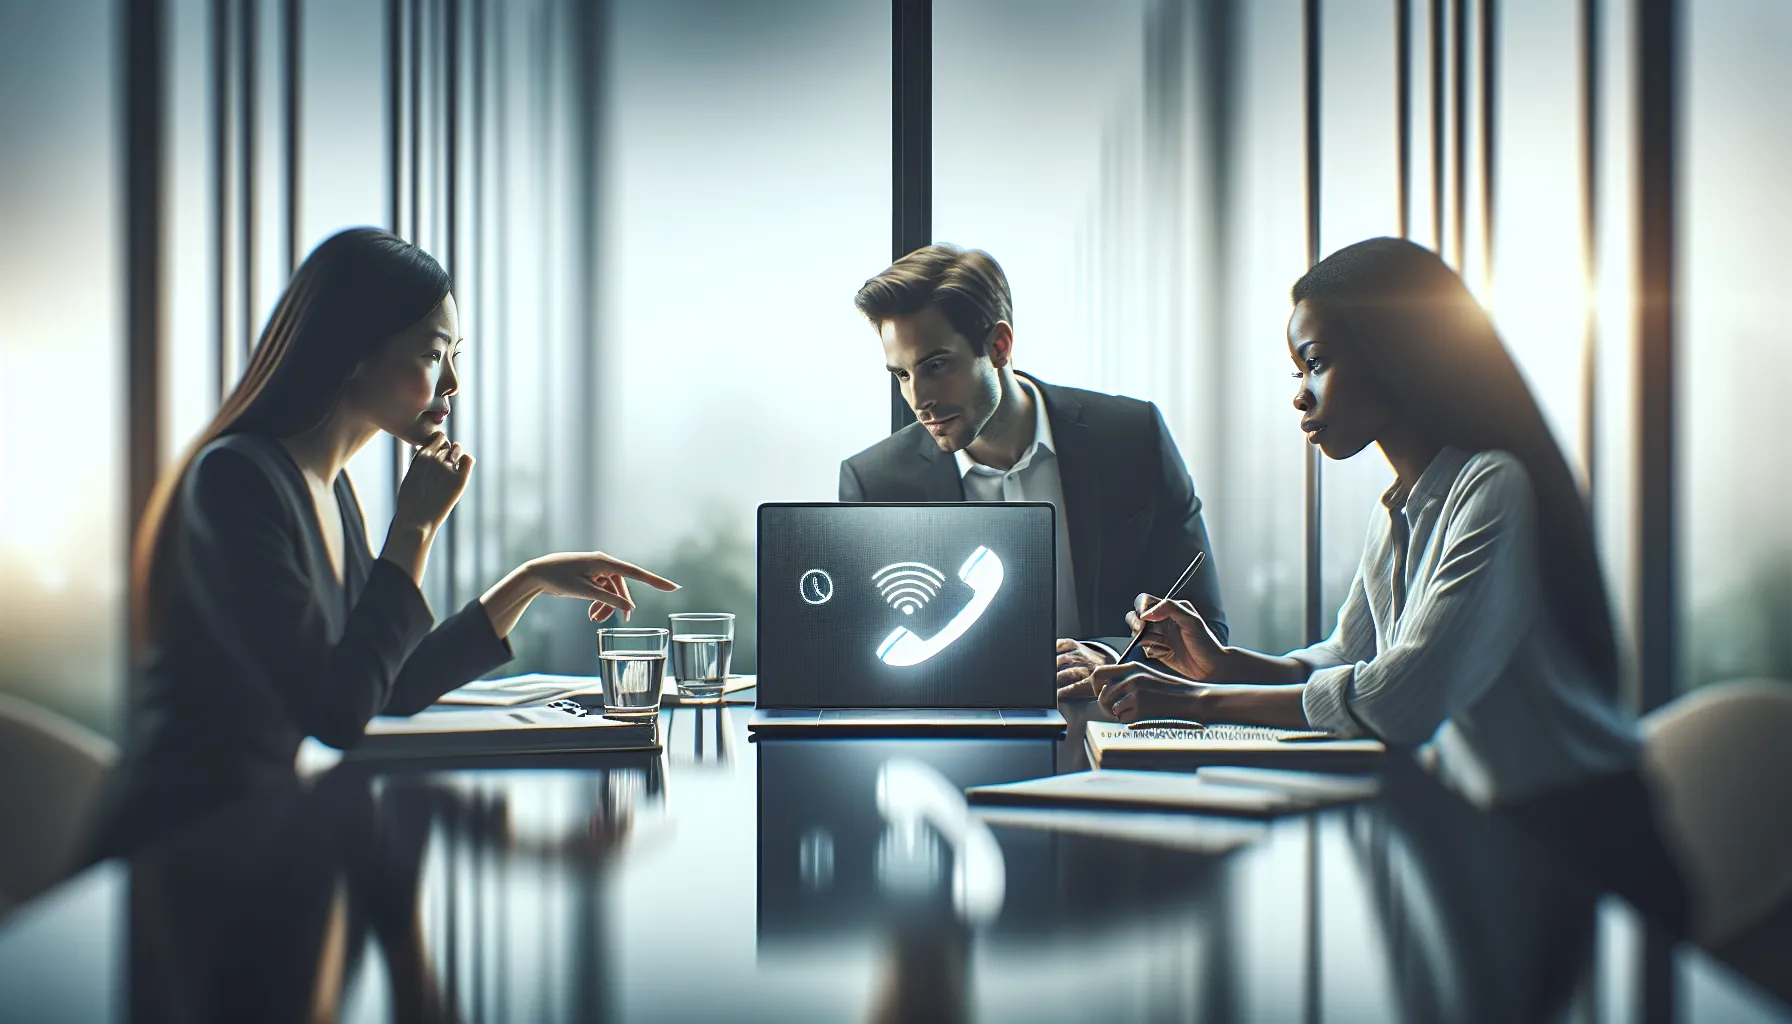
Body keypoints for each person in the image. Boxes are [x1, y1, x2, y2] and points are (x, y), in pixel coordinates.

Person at [1089, 237, 1685, 926]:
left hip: (1584, 847)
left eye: (1315, 364)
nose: (1300, 396)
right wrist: (1222, 665)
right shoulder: (1403, 505)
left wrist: (1198, 702)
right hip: (1497, 832)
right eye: (1295, 372)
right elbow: (1348, 659)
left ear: (1395, 352)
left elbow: (1400, 700)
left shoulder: (1495, 486)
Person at [86, 228, 676, 862]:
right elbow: (338, 713)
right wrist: (414, 528)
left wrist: (526, 582)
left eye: (455, 355)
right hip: (181, 855)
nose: (451, 383)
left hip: (262, 842)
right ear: (352, 352)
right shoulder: (237, 481)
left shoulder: (329, 490)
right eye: (431, 354)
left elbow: (386, 685)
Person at [837, 244, 1227, 693]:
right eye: (901, 375)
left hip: (1109, 728)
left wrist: (1106, 656)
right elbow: (865, 662)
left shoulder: (1131, 439)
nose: (918, 399)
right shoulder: (877, 483)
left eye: (936, 365)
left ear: (999, 346)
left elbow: (1206, 630)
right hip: (954, 737)